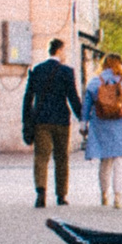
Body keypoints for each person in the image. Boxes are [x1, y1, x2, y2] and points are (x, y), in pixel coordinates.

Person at [20, 38, 87, 209]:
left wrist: (26, 120)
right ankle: (61, 195)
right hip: (61, 120)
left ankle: (41, 192)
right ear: (59, 50)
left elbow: (28, 98)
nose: (65, 54)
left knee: (41, 157)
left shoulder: (38, 70)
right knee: (61, 157)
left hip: (41, 120)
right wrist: (82, 118)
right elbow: (73, 97)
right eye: (64, 51)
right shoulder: (66, 72)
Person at [81, 51, 122, 210]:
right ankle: (118, 197)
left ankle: (104, 194)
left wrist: (83, 123)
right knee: (120, 160)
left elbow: (87, 105)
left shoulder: (95, 81)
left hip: (101, 124)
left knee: (105, 160)